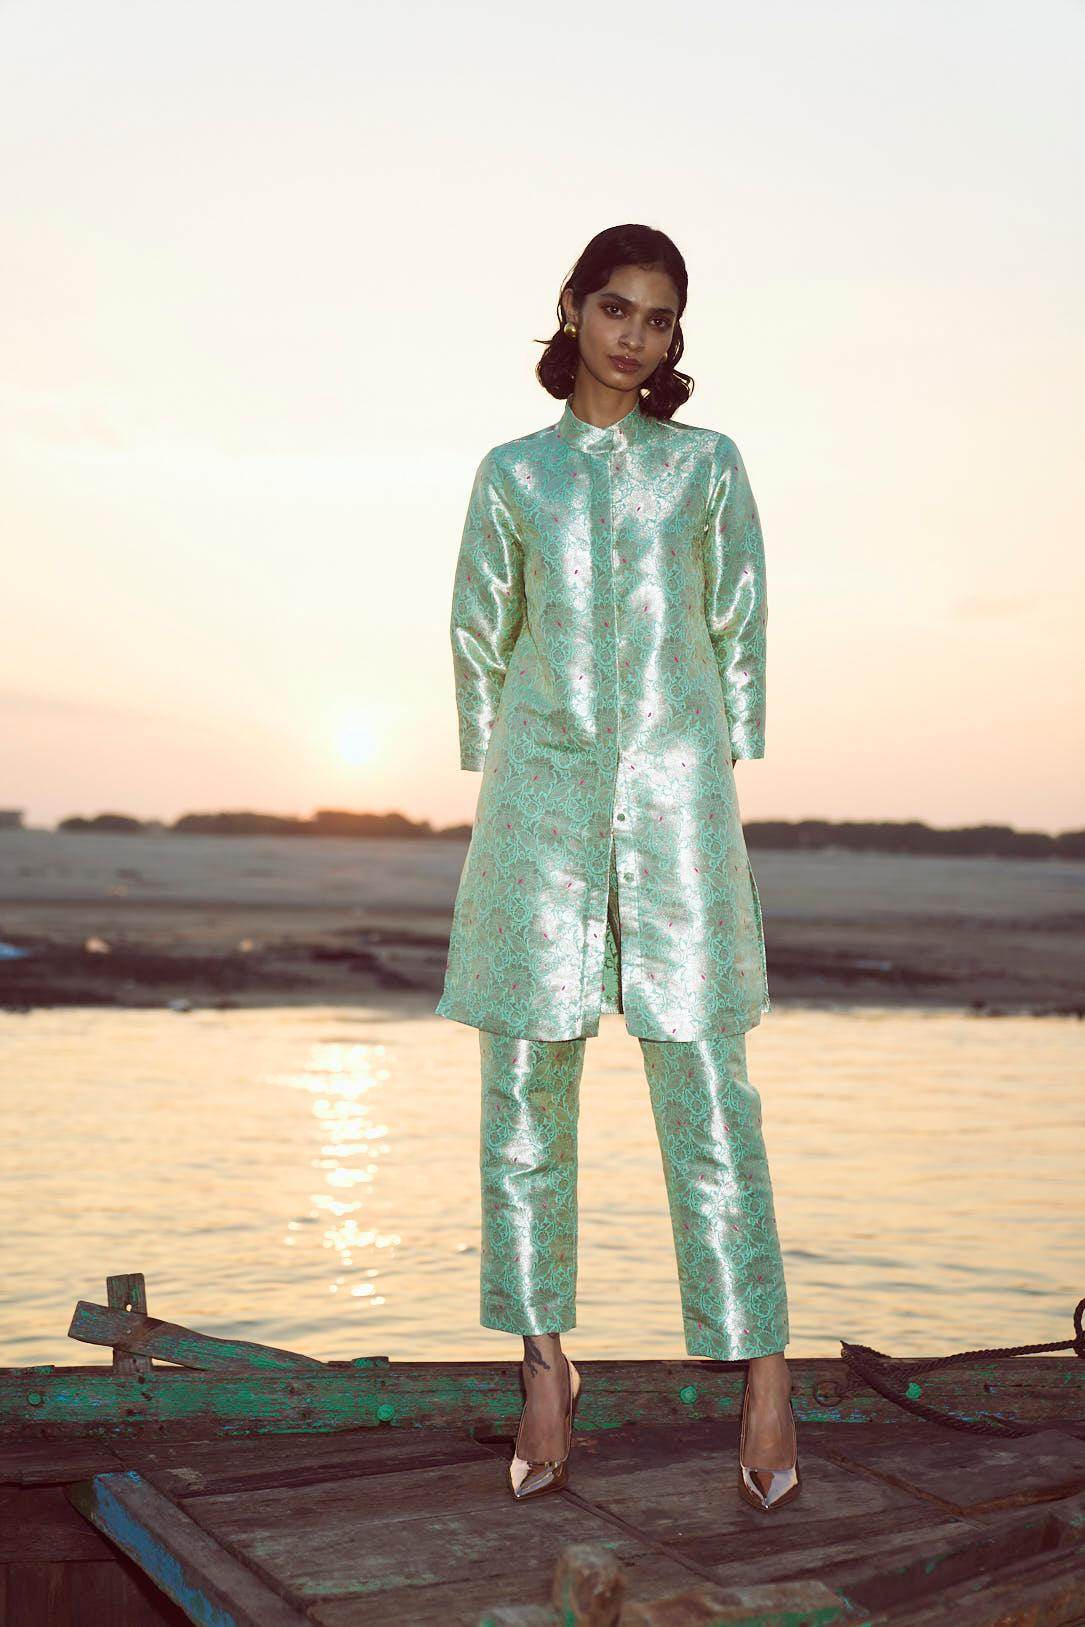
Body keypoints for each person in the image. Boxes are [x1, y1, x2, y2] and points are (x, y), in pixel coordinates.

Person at [436, 223, 800, 1512]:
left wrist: (711, 755)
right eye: (615, 309)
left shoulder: (705, 467)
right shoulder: (512, 474)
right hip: (537, 807)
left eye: (658, 318)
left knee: (708, 1090)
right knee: (523, 1097)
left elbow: (739, 615)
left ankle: (765, 1374)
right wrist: (507, 767)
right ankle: (545, 1367)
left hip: (676, 802)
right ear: (574, 311)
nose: (635, 337)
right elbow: (481, 632)